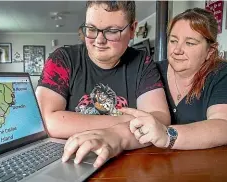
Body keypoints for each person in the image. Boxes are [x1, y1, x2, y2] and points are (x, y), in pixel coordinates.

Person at [62, 7, 227, 167]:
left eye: (190, 43)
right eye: (173, 41)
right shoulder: (152, 70)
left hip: (203, 167)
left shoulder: (220, 74)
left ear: (210, 51)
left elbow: (222, 125)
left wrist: (167, 135)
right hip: (152, 165)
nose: (177, 50)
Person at [36, 1, 170, 167]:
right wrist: (128, 122)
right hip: (70, 160)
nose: (99, 40)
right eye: (91, 29)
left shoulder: (143, 63)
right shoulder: (62, 59)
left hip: (127, 164)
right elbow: (44, 122)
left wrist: (117, 135)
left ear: (132, 29)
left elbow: (160, 119)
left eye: (112, 31)